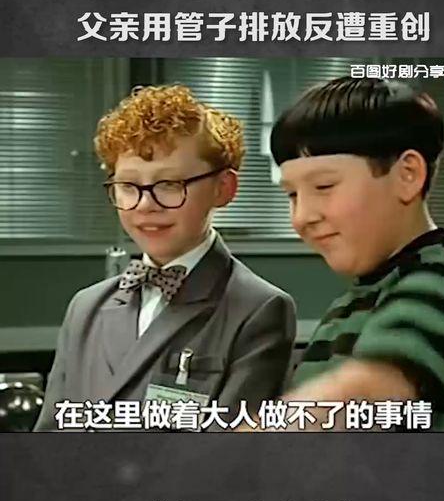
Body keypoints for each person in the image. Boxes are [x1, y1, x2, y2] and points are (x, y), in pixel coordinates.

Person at [35, 84, 296, 431]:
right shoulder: (86, 308)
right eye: (128, 186)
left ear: (224, 188)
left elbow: (230, 451)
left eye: (170, 184)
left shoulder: (258, 309)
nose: (145, 205)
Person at [270, 76, 444, 431]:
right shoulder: (349, 305)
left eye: (324, 186)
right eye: (292, 195)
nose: (302, 217)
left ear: (407, 174)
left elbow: (362, 394)